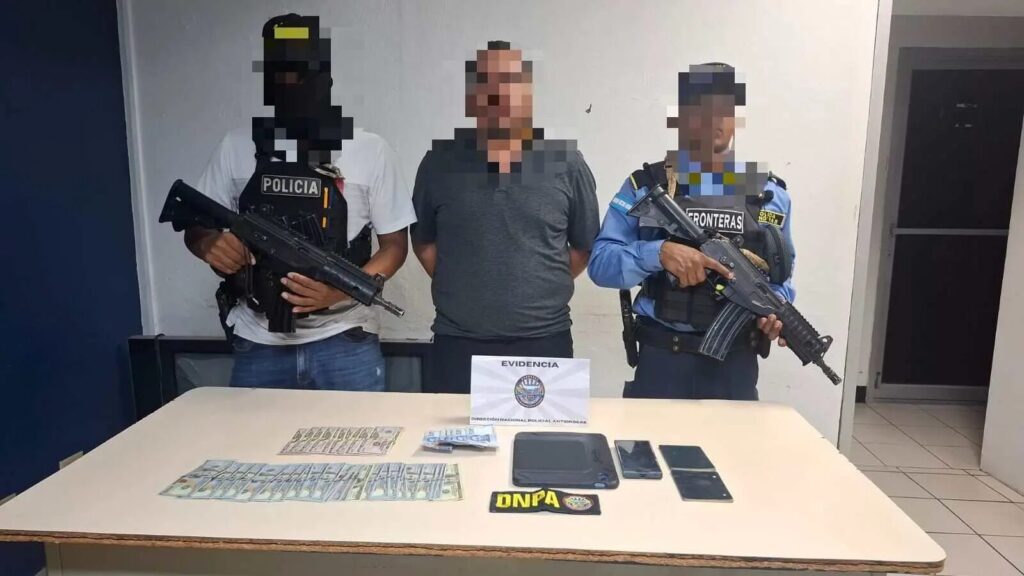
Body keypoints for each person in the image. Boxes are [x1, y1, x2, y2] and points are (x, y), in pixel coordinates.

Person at [185, 14, 415, 390]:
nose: (291, 85)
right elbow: (195, 225)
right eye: (281, 74)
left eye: (301, 74)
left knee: (356, 433)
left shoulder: (369, 150)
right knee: (251, 433)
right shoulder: (236, 147)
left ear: (325, 78)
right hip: (258, 340)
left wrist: (338, 291)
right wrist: (208, 243)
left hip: (344, 337)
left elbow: (395, 246)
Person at [588, 63, 796, 400]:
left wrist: (775, 312)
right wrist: (658, 253)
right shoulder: (646, 186)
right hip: (662, 361)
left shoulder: (770, 195)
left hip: (735, 364)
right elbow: (601, 264)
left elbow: (780, 277)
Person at [411, 41, 600, 394]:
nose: (499, 94)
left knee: (545, 432)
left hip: (545, 341)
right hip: (458, 343)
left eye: (511, 82)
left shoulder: (567, 163)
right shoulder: (438, 162)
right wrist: (466, 284)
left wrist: (535, 285)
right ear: (471, 99)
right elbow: (423, 242)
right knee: (452, 431)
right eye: (487, 83)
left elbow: (584, 246)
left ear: (528, 95)